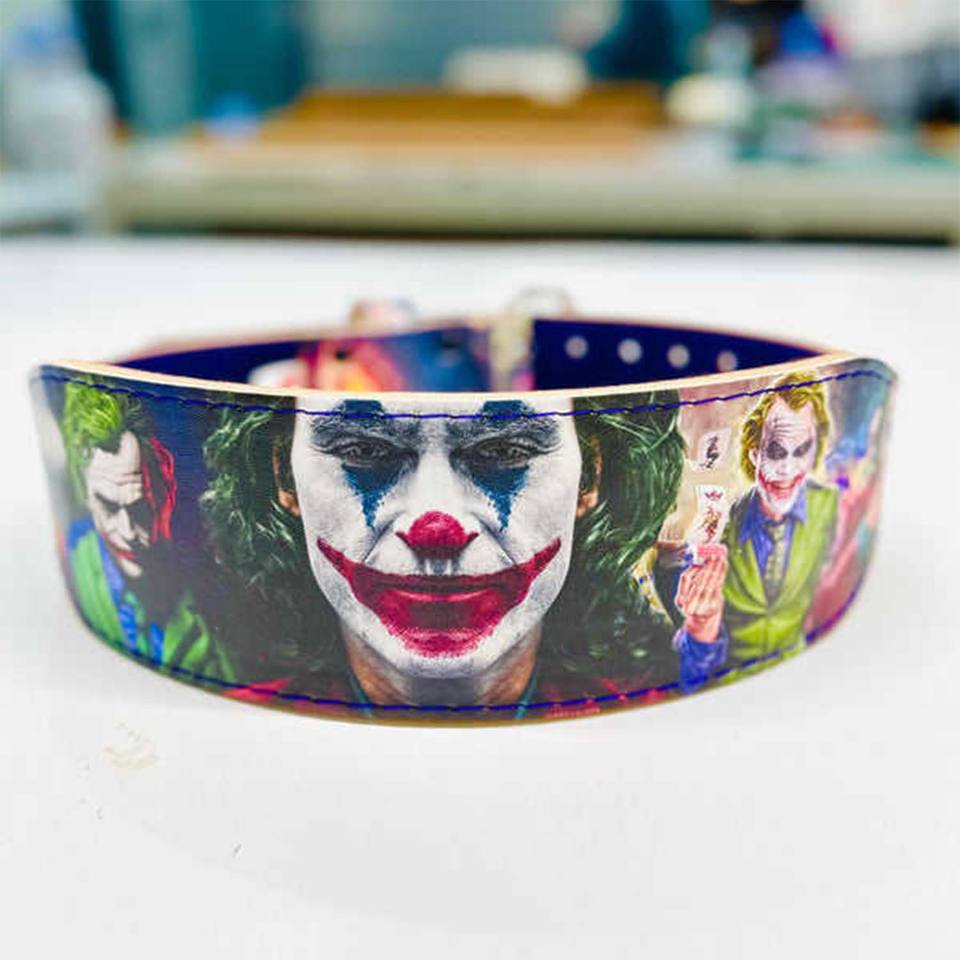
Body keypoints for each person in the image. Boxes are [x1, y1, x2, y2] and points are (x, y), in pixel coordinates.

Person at [202, 388, 701, 717]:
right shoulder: (232, 731)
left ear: (590, 475)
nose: (436, 526)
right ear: (284, 476)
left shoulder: (658, 721)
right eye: (363, 450)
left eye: (505, 451)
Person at [674, 371, 839, 689]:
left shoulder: (830, 507)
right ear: (754, 454)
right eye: (775, 451)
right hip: (728, 693)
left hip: (805, 679)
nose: (787, 469)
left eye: (801, 450)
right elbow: (687, 673)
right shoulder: (720, 527)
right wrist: (701, 626)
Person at [60, 380, 234, 681]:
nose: (128, 531)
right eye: (108, 506)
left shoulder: (202, 593)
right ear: (83, 490)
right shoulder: (78, 560)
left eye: (139, 507)